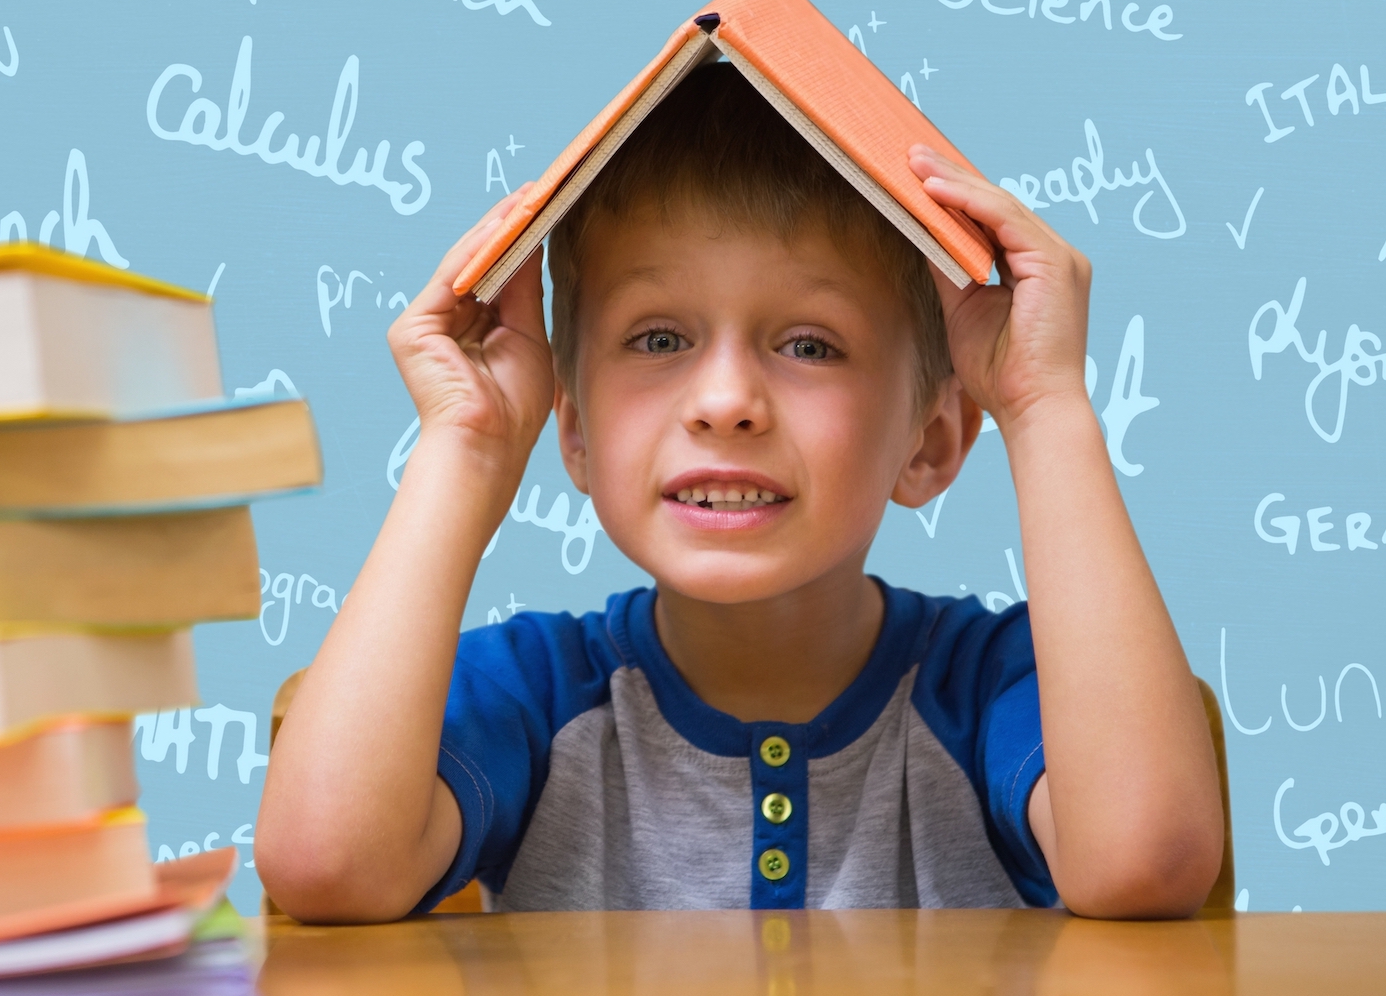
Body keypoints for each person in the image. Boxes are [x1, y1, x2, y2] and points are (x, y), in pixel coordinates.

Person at [257, 62, 1222, 920]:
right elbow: (325, 867)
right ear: (577, 431)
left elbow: (1144, 861)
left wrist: (1045, 403)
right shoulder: (536, 694)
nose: (725, 402)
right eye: (659, 339)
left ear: (930, 440)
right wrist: (463, 449)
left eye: (809, 345)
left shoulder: (997, 688)